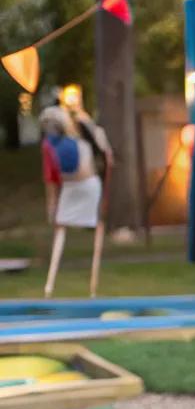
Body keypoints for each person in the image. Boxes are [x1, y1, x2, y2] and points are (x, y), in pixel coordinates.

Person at [39, 102, 114, 297]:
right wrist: (52, 206)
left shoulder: (76, 138)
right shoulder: (56, 145)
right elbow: (51, 179)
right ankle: (52, 284)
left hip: (86, 185)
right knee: (64, 227)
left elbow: (51, 181)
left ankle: (91, 285)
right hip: (76, 186)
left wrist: (81, 113)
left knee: (90, 226)